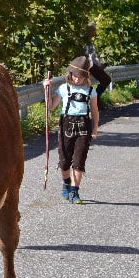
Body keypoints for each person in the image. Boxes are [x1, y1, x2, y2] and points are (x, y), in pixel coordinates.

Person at [43, 56, 99, 205]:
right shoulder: (63, 88)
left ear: (86, 77)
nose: (77, 79)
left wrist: (95, 128)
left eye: (81, 77)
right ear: (70, 74)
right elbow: (51, 106)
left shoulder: (91, 91)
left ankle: (75, 192)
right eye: (75, 76)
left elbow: (95, 111)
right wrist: (47, 89)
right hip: (66, 125)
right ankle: (66, 183)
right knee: (64, 161)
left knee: (79, 160)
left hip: (84, 126)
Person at [83, 22, 112, 103]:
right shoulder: (86, 41)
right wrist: (99, 66)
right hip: (90, 65)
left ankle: (94, 99)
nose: (95, 33)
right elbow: (90, 56)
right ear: (91, 31)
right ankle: (95, 99)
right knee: (106, 79)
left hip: (88, 65)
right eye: (94, 30)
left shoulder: (85, 40)